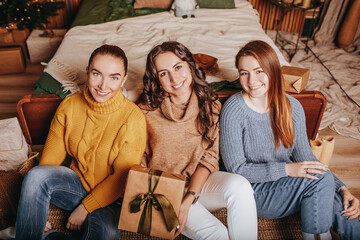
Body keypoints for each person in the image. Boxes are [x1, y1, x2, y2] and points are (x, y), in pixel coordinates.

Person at [220, 40, 360, 240]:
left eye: (259, 71)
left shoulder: (292, 106)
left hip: (288, 183)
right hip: (253, 192)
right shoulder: (234, 110)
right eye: (244, 73)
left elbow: (307, 157)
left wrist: (343, 188)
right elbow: (237, 169)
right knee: (320, 181)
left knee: (339, 200)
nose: (252, 80)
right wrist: (288, 169)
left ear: (274, 71)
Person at [15, 44, 147, 240]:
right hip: (76, 186)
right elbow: (51, 158)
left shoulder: (133, 119)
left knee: (107, 234)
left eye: (114, 77)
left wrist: (86, 208)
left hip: (113, 199)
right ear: (87, 71)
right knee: (35, 176)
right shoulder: (69, 106)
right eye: (97, 74)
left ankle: (47, 237)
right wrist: (38, 212)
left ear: (124, 80)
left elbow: (121, 178)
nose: (103, 86)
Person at [138, 41, 257, 240]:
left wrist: (190, 198)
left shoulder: (210, 105)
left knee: (241, 187)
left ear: (190, 66)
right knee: (218, 234)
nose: (174, 78)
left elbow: (209, 158)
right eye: (163, 73)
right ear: (157, 79)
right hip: (163, 190)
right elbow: (137, 158)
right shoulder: (146, 111)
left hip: (197, 184)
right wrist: (167, 197)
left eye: (178, 67)